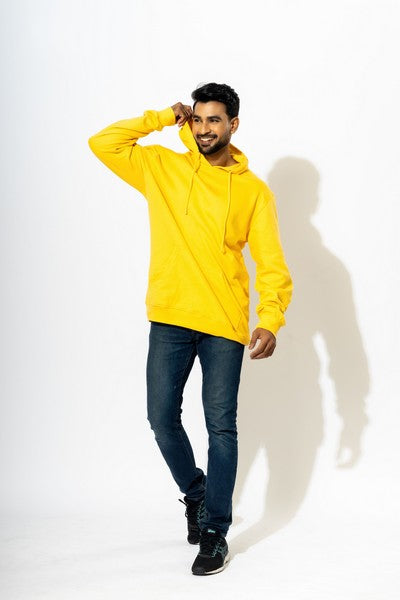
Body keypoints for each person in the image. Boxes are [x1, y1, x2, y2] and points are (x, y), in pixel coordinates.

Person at [88, 82, 293, 576]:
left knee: (221, 426)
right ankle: (196, 493)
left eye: (214, 120)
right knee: (161, 417)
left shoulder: (253, 191)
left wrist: (270, 318)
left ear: (233, 125)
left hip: (223, 322)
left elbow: (271, 264)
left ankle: (215, 530)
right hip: (170, 317)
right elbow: (103, 142)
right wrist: (163, 116)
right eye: (198, 119)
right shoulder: (163, 167)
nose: (204, 129)